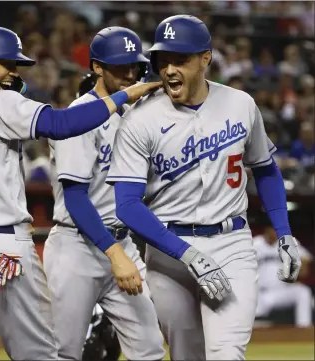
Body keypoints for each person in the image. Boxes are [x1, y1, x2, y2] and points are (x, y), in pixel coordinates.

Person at [0, 25, 161, 360]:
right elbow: (62, 125)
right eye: (6, 63)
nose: (13, 73)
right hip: (2, 245)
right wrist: (124, 96)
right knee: (43, 355)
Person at [106, 15, 302, 360]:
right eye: (162, 61)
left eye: (179, 60)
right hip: (168, 249)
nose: (168, 70)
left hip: (231, 244)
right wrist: (186, 253)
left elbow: (266, 171)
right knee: (186, 356)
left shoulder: (241, 105)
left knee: (227, 353)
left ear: (205, 58)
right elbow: (126, 205)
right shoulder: (139, 118)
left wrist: (284, 232)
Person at [43, 27, 165, 361]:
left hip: (121, 242)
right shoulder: (78, 116)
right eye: (119, 67)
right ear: (97, 67)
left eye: (135, 66)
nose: (129, 74)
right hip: (76, 248)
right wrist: (115, 255)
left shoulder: (137, 118)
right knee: (63, 352)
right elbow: (76, 198)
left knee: (150, 348)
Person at [254, 218, 313, 327]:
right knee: (254, 324)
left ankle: (304, 329)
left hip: (282, 291)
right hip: (261, 294)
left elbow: (305, 258)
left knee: (303, 292)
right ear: (266, 229)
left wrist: (301, 267)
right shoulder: (255, 244)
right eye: (274, 229)